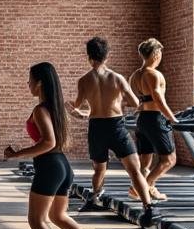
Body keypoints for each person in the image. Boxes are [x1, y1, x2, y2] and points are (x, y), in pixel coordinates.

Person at [4, 62, 101, 229]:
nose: (27, 83)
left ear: (39, 83)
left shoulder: (40, 110)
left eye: (30, 79)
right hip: (63, 166)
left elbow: (48, 142)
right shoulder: (54, 107)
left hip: (49, 167)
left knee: (36, 220)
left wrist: (17, 154)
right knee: (57, 215)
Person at [68, 36, 155, 217]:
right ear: (107, 56)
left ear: (89, 57)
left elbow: (76, 108)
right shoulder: (117, 78)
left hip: (96, 127)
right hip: (116, 127)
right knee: (134, 169)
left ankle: (93, 199)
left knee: (99, 169)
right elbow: (135, 102)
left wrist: (79, 111)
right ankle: (148, 207)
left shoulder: (83, 80)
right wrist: (118, 102)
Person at [128, 38, 177, 202]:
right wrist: (172, 117)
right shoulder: (154, 74)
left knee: (145, 162)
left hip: (143, 120)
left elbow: (141, 101)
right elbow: (158, 99)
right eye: (160, 52)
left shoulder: (135, 76)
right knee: (169, 159)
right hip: (156, 119)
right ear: (156, 53)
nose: (161, 55)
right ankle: (142, 187)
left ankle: (148, 189)